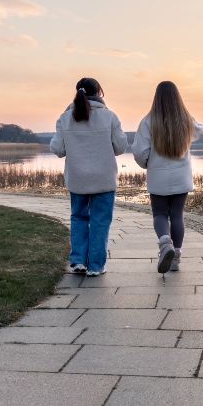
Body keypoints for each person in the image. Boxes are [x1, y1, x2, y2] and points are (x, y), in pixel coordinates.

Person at [50, 77, 128, 276]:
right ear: (98, 92)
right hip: (104, 178)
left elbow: (58, 149)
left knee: (78, 217)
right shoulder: (109, 116)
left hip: (78, 178)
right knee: (100, 221)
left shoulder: (65, 117)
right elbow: (120, 147)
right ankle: (95, 266)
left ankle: (77, 261)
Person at [133, 81, 203, 273]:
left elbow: (139, 152)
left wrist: (147, 164)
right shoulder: (186, 120)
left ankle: (165, 244)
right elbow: (200, 130)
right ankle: (175, 258)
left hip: (158, 175)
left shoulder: (148, 121)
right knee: (177, 215)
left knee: (159, 214)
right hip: (181, 175)